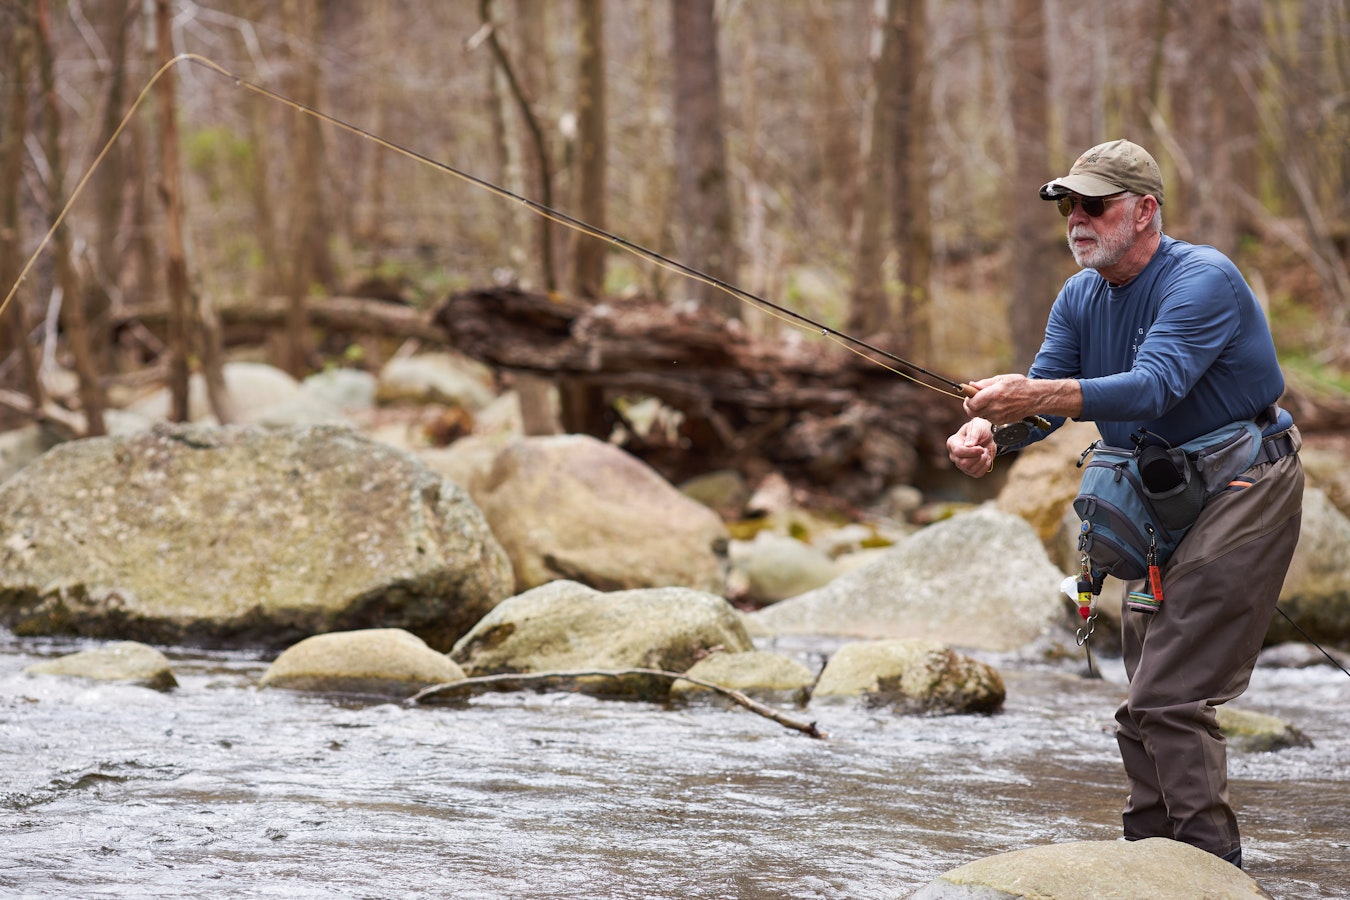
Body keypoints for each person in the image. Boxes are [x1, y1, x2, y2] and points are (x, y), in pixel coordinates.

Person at [946, 139, 1304, 869]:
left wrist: (1031, 394)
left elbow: (1154, 386)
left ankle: (1209, 866)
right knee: (1144, 681)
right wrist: (990, 431)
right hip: (1163, 493)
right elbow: (1044, 400)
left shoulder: (1203, 279)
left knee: (1167, 694)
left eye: (1094, 204)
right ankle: (1145, 856)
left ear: (1144, 211)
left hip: (1246, 483)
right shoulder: (1079, 295)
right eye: (1068, 205)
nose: (1077, 218)